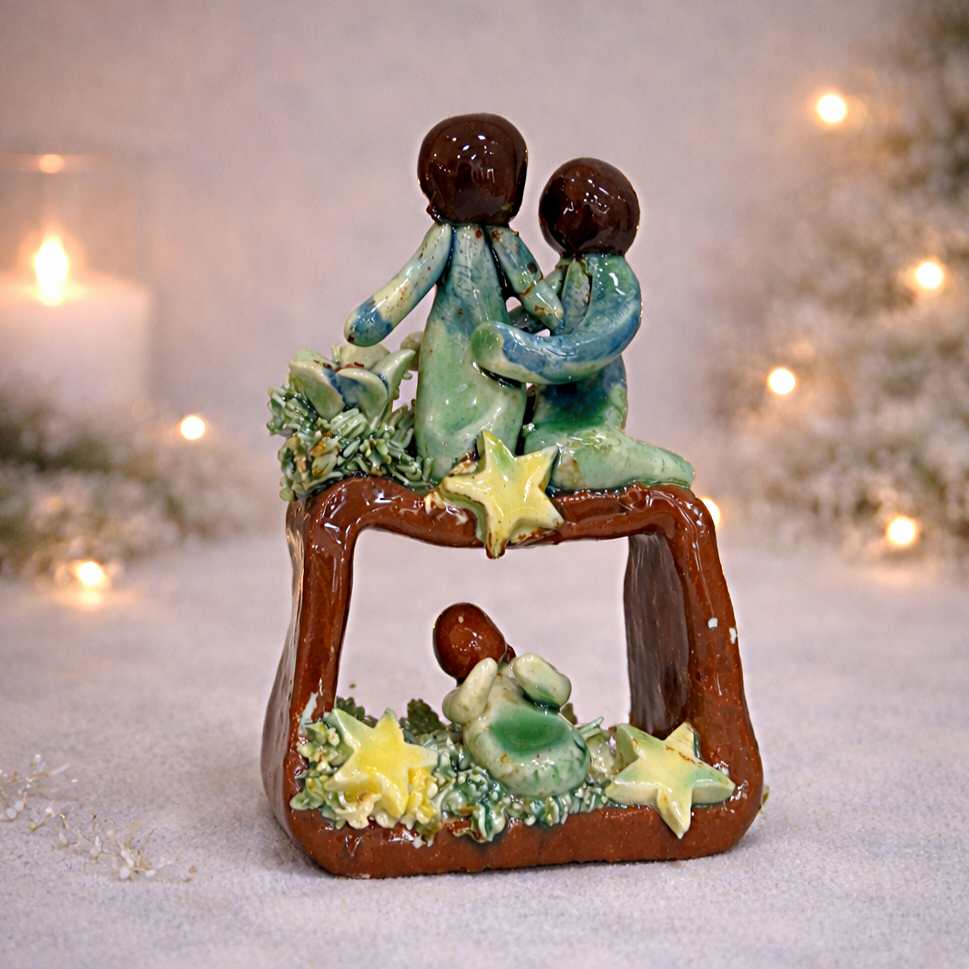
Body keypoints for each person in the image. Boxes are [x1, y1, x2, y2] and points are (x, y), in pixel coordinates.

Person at [343, 114, 563, 482]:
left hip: (490, 357)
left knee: (503, 405)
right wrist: (370, 321)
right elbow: (410, 283)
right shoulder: (449, 238)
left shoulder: (501, 242)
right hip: (451, 350)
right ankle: (452, 469)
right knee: (441, 416)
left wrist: (555, 314)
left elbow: (532, 290)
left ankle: (489, 473)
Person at [470, 158, 695, 491]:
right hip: (552, 400)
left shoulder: (616, 279)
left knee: (559, 460)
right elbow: (536, 313)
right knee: (524, 437)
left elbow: (594, 342)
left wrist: (524, 353)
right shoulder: (568, 270)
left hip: (593, 404)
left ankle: (660, 467)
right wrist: (489, 335)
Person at [433, 603, 590, 798]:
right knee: (531, 773)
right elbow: (463, 708)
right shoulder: (460, 696)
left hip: (564, 743)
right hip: (511, 759)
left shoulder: (515, 675)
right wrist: (482, 676)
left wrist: (534, 676)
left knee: (571, 758)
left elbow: (561, 692)